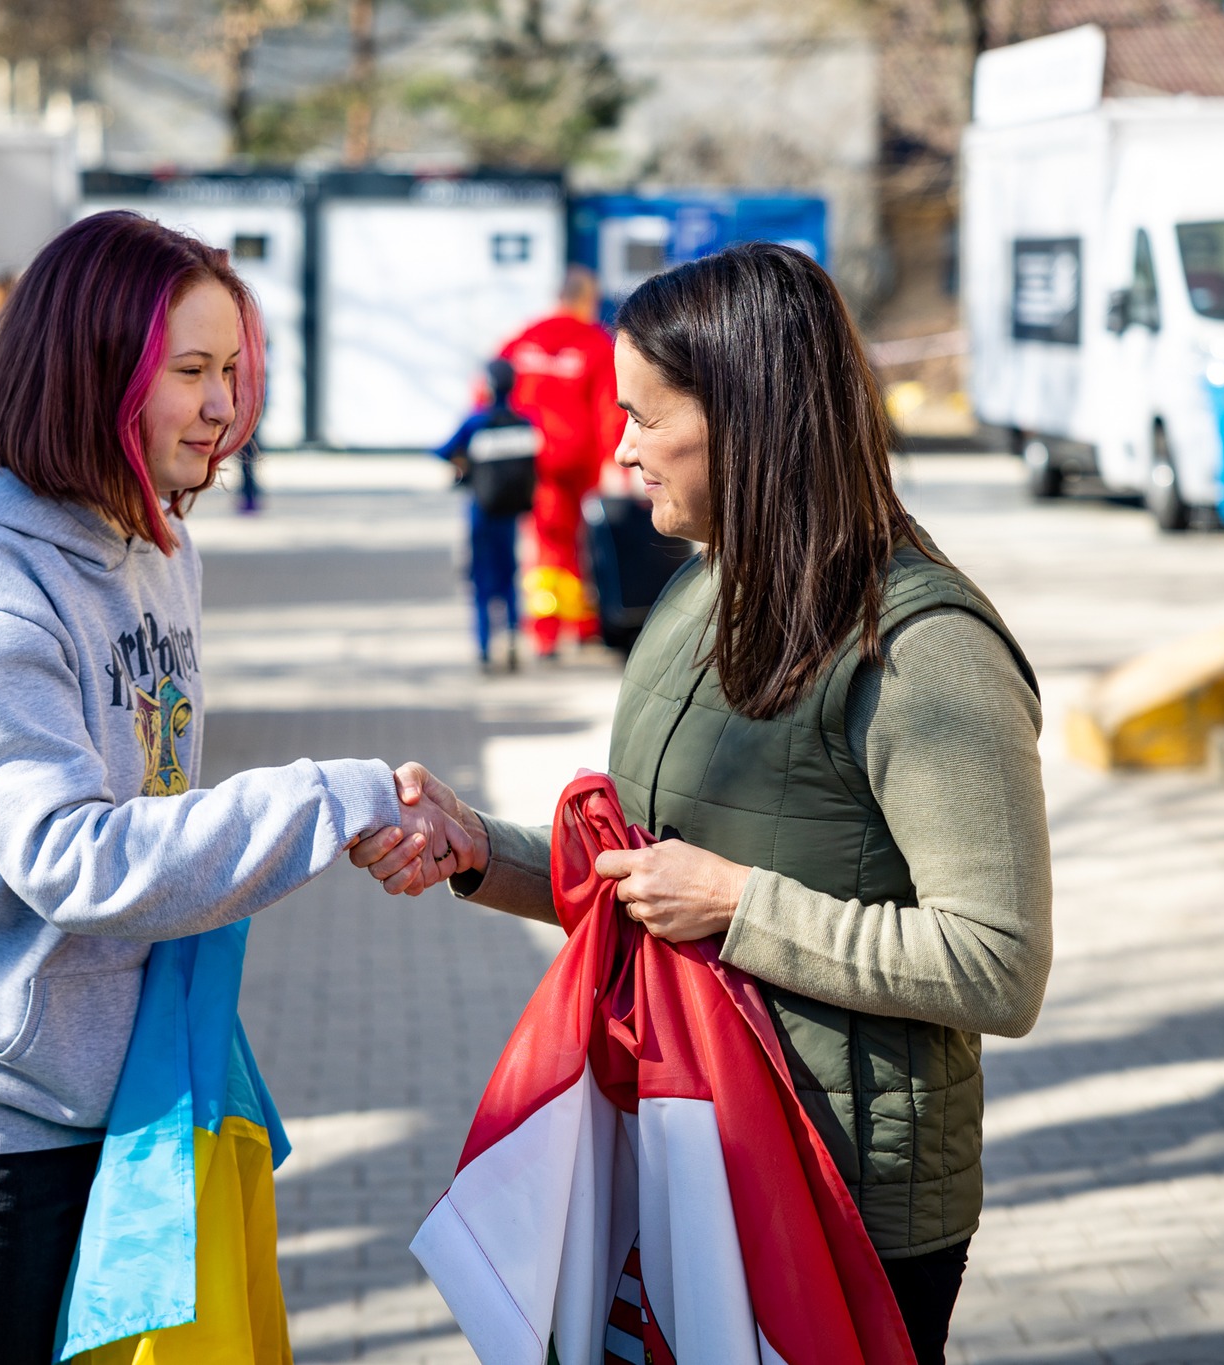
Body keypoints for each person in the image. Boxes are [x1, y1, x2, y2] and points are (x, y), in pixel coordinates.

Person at [357, 242, 1053, 1364]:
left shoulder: (921, 647)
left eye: (644, 416)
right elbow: (652, 874)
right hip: (692, 1143)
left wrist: (738, 904)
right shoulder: (704, 582)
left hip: (842, 1196)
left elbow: (996, 964)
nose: (619, 449)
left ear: (750, 417)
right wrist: (474, 848)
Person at [0, 211, 471, 1365]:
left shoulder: (158, 541)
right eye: (191, 373)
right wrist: (326, 799)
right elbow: (73, 857)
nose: (226, 407)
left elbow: (154, 798)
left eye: (232, 370)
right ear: (91, 370)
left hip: (118, 1107)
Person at [499, 264, 625, 659]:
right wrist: (616, 460)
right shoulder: (594, 343)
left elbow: (489, 391)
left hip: (530, 461)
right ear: (587, 299)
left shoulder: (523, 340)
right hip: (578, 461)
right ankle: (569, 625)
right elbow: (612, 407)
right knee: (576, 543)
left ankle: (552, 627)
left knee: (547, 542)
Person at [436, 357, 538, 671]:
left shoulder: (476, 422)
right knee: (509, 575)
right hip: (511, 513)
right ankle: (512, 635)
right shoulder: (525, 421)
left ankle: (483, 647)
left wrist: (461, 460)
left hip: (481, 511)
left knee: (481, 579)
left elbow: (440, 450)